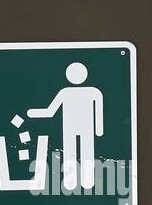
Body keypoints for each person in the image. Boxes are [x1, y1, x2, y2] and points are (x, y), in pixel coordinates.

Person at [28, 62, 103, 191]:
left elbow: (98, 110)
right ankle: (73, 181)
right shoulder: (81, 92)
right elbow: (50, 111)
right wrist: (33, 113)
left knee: (80, 153)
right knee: (75, 153)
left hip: (81, 129)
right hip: (74, 128)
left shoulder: (91, 92)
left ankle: (84, 182)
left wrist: (99, 129)